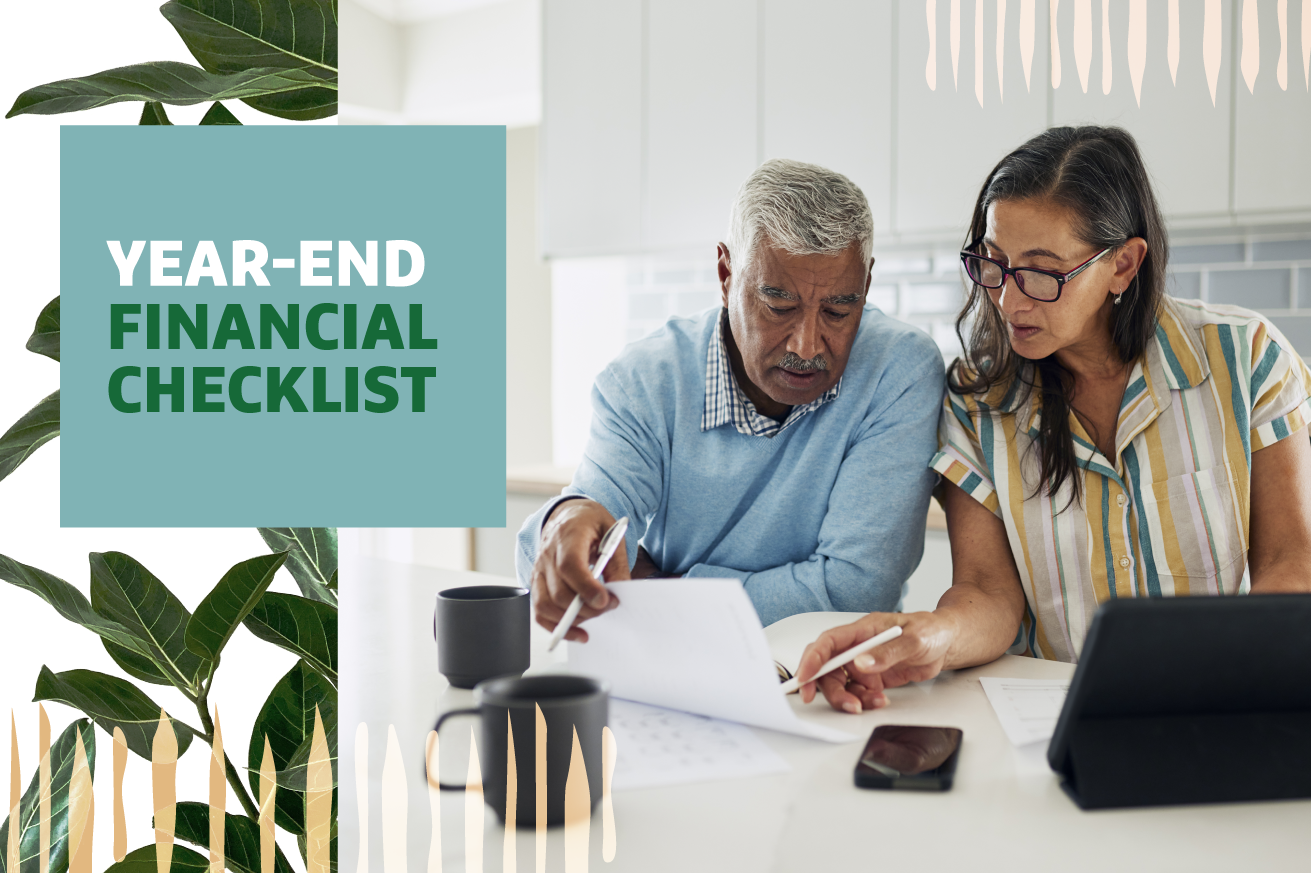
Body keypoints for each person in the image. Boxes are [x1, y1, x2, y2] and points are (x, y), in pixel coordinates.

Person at [795, 126, 1311, 714]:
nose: (1009, 302)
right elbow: (988, 595)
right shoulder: (977, 400)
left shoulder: (1246, 360)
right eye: (993, 263)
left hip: (1222, 700)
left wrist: (1240, 671)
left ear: (1123, 265)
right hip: (1053, 715)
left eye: (1041, 273)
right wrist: (924, 637)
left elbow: (1290, 563)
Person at [516, 159, 945, 640]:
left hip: (833, 673)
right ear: (725, 274)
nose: (806, 345)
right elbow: (587, 529)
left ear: (865, 286)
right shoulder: (645, 381)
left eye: (839, 311)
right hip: (666, 664)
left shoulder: (899, 370)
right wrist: (567, 519)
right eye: (779, 307)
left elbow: (853, 594)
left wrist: (659, 588)